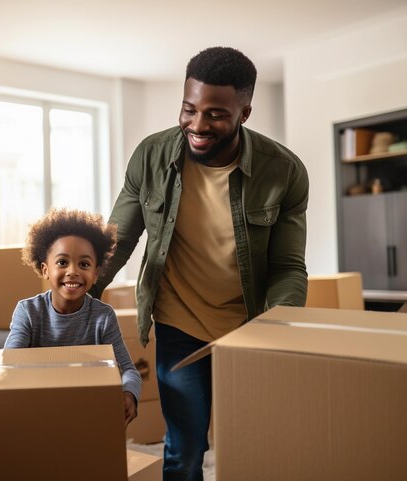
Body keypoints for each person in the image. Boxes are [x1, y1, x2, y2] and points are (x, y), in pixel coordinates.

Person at [90, 46, 309, 480]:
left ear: (245, 112)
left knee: (253, 447)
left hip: (249, 331)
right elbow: (116, 241)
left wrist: (276, 328)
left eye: (215, 115)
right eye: (189, 109)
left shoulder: (283, 171)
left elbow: (287, 267)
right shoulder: (151, 156)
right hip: (179, 326)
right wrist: (77, 297)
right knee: (184, 450)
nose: (197, 125)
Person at [4, 208, 141, 426]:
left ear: (95, 274)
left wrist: (129, 394)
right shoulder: (28, 312)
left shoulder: (103, 317)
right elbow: (9, 363)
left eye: (84, 264)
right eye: (62, 262)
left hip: (86, 414)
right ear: (45, 269)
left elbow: (128, 370)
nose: (73, 271)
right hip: (37, 412)